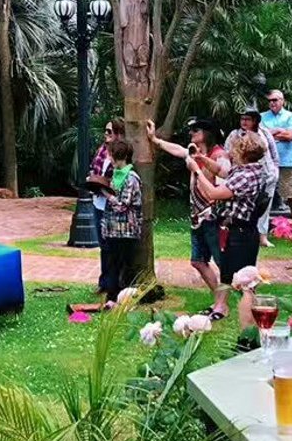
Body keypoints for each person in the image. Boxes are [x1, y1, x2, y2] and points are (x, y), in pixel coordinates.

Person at [185, 131, 272, 323]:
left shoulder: (246, 176)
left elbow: (214, 193)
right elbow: (221, 171)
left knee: (244, 279)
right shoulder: (250, 170)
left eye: (234, 149)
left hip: (240, 233)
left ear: (243, 152)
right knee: (227, 272)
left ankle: (251, 318)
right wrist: (202, 158)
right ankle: (221, 306)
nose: (231, 152)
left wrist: (197, 171)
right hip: (239, 231)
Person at [147, 117, 231, 312]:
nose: (191, 133)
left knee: (223, 263)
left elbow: (225, 175)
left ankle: (237, 299)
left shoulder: (219, 154)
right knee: (198, 261)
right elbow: (178, 150)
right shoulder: (194, 152)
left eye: (196, 130)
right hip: (197, 216)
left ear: (207, 133)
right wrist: (155, 140)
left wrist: (201, 163)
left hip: (213, 217)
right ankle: (220, 301)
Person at [225, 107, 279, 246]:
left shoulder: (264, 133)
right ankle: (244, 234)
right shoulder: (235, 135)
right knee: (245, 207)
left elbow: (274, 154)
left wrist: (275, 171)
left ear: (255, 121)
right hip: (243, 177)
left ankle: (263, 236)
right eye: (242, 119)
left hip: (267, 175)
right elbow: (227, 154)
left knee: (264, 206)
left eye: (247, 119)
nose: (244, 122)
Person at [98, 137, 142, 301]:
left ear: (118, 156)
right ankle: (112, 298)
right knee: (112, 265)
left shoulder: (131, 178)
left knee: (125, 266)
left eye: (111, 155)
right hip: (112, 230)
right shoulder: (115, 175)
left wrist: (106, 195)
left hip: (126, 231)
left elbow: (123, 205)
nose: (109, 159)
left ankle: (124, 299)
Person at [87, 116, 124, 292]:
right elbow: (94, 169)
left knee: (112, 245)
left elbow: (119, 179)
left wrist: (103, 185)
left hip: (111, 204)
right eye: (106, 131)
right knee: (103, 245)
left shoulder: (121, 155)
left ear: (119, 134)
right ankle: (104, 282)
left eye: (110, 131)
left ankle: (114, 284)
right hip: (98, 202)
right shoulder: (101, 150)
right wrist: (92, 180)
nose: (106, 134)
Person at [261, 90, 292, 227]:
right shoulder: (261, 117)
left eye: (275, 100)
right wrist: (279, 131)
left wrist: (269, 135)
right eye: (270, 101)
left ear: (282, 101)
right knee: (263, 196)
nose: (272, 103)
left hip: (286, 162)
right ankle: (262, 229)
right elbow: (259, 137)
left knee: (291, 196)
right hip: (267, 163)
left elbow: (290, 136)